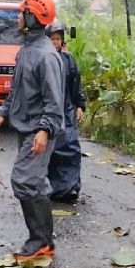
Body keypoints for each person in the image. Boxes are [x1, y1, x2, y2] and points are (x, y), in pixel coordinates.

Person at [0, 0, 65, 261]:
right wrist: (3, 112)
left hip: (39, 130)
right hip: (25, 127)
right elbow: (17, 89)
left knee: (23, 179)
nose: (18, 17)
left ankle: (39, 239)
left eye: (22, 13)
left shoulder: (46, 55)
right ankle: (45, 241)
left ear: (32, 17)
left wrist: (44, 130)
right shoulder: (27, 50)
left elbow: (54, 101)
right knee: (35, 182)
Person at [45, 20, 86, 203]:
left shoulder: (69, 60)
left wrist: (80, 105)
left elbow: (75, 85)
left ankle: (70, 188)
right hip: (49, 112)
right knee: (51, 152)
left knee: (70, 149)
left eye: (58, 39)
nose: (55, 42)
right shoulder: (43, 60)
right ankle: (51, 188)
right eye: (52, 39)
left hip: (67, 110)